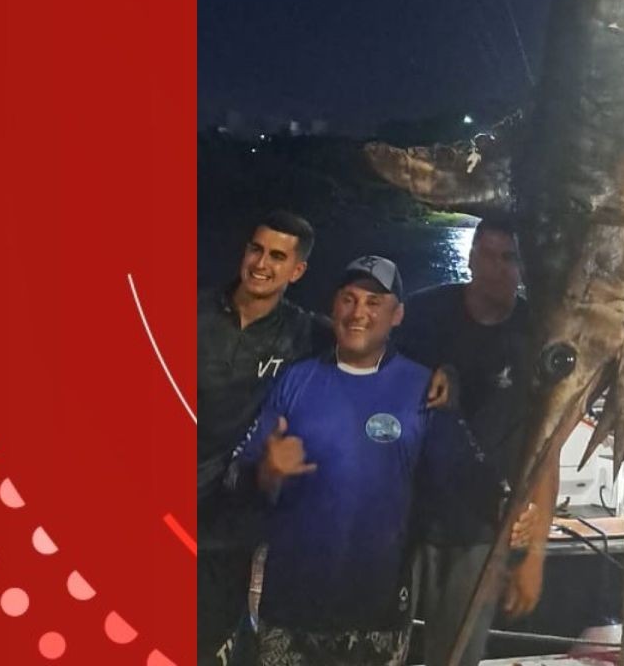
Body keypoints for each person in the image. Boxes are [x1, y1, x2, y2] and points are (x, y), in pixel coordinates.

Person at [230, 256, 501, 666]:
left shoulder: (425, 389)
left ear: (398, 315)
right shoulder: (294, 380)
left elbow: (466, 480)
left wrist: (516, 511)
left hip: (378, 615)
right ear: (333, 307)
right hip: (290, 610)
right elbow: (239, 478)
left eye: (374, 302)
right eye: (348, 299)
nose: (359, 312)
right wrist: (268, 471)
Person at [394, 217, 554, 665]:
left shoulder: (537, 333)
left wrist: (534, 553)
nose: (500, 268)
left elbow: (546, 445)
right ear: (470, 258)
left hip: (483, 531)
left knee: (458, 655)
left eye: (511, 258)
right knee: (381, 646)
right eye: (489, 255)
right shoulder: (423, 315)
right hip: (405, 519)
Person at [197, 211, 320, 664]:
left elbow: (371, 350)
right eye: (255, 248)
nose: (261, 263)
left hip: (229, 527)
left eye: (277, 255)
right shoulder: (191, 310)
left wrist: (444, 372)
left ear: (297, 270)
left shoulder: (306, 334)